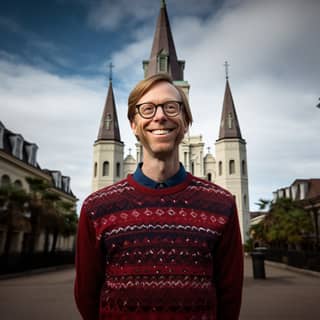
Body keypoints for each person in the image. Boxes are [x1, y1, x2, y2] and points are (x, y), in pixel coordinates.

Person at [74, 73, 243, 320]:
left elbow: (229, 298)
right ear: (133, 125)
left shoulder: (223, 204)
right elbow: (87, 298)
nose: (160, 116)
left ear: (185, 122)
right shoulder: (96, 207)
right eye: (148, 108)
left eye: (171, 107)